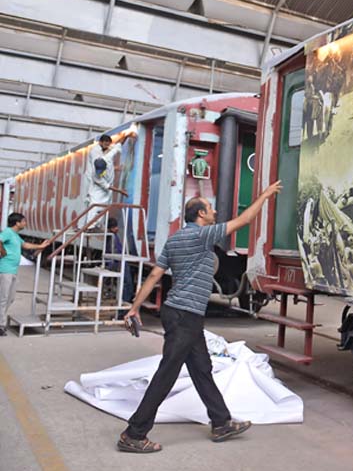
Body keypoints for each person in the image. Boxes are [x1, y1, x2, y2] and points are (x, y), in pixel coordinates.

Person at [117, 180, 282, 453]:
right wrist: (264, 195)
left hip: (182, 314)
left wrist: (135, 306)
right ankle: (133, 433)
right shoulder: (200, 235)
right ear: (201, 215)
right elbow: (243, 220)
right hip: (185, 315)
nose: (214, 212)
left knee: (201, 369)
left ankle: (221, 422)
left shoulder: (175, 239)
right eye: (210, 209)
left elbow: (156, 275)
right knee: (167, 374)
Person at [0, 213, 49, 336]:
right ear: (17, 223)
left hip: (13, 270)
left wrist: (41, 246)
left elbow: (25, 245)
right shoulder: (8, 232)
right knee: (3, 298)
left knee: (10, 298)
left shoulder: (15, 235)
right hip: (5, 269)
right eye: (23, 221)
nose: (25, 223)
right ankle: (0, 325)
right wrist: (3, 252)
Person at [85, 132, 134, 228]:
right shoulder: (96, 175)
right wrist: (120, 191)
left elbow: (118, 146)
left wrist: (126, 135)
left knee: (103, 208)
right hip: (97, 190)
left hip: (107, 191)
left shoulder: (107, 157)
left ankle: (97, 226)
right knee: (95, 207)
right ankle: (90, 227)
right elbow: (107, 186)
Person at [105, 217, 135, 313]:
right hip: (119, 262)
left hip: (119, 261)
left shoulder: (111, 236)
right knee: (127, 285)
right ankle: (122, 310)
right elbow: (114, 252)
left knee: (125, 285)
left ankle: (122, 308)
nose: (117, 228)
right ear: (111, 228)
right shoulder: (112, 237)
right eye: (115, 227)